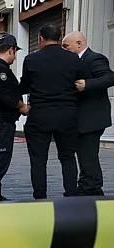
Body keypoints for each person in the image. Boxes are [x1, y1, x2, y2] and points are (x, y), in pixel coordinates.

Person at [20, 24, 84, 199]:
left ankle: (40, 196)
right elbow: (81, 83)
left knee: (38, 160)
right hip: (67, 114)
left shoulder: (31, 59)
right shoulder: (73, 59)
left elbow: (24, 86)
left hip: (40, 114)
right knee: (68, 157)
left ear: (41, 39)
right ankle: (71, 193)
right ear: (59, 37)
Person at [62, 31, 114, 196]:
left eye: (66, 47)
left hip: (92, 118)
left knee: (88, 154)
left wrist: (87, 84)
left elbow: (109, 77)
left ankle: (92, 187)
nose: (64, 50)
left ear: (79, 43)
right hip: (81, 118)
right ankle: (87, 185)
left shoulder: (94, 58)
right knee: (84, 153)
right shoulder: (74, 61)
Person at [0, 34, 29, 202]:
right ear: (11, 49)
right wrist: (22, 106)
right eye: (15, 53)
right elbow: (4, 95)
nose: (15, 57)